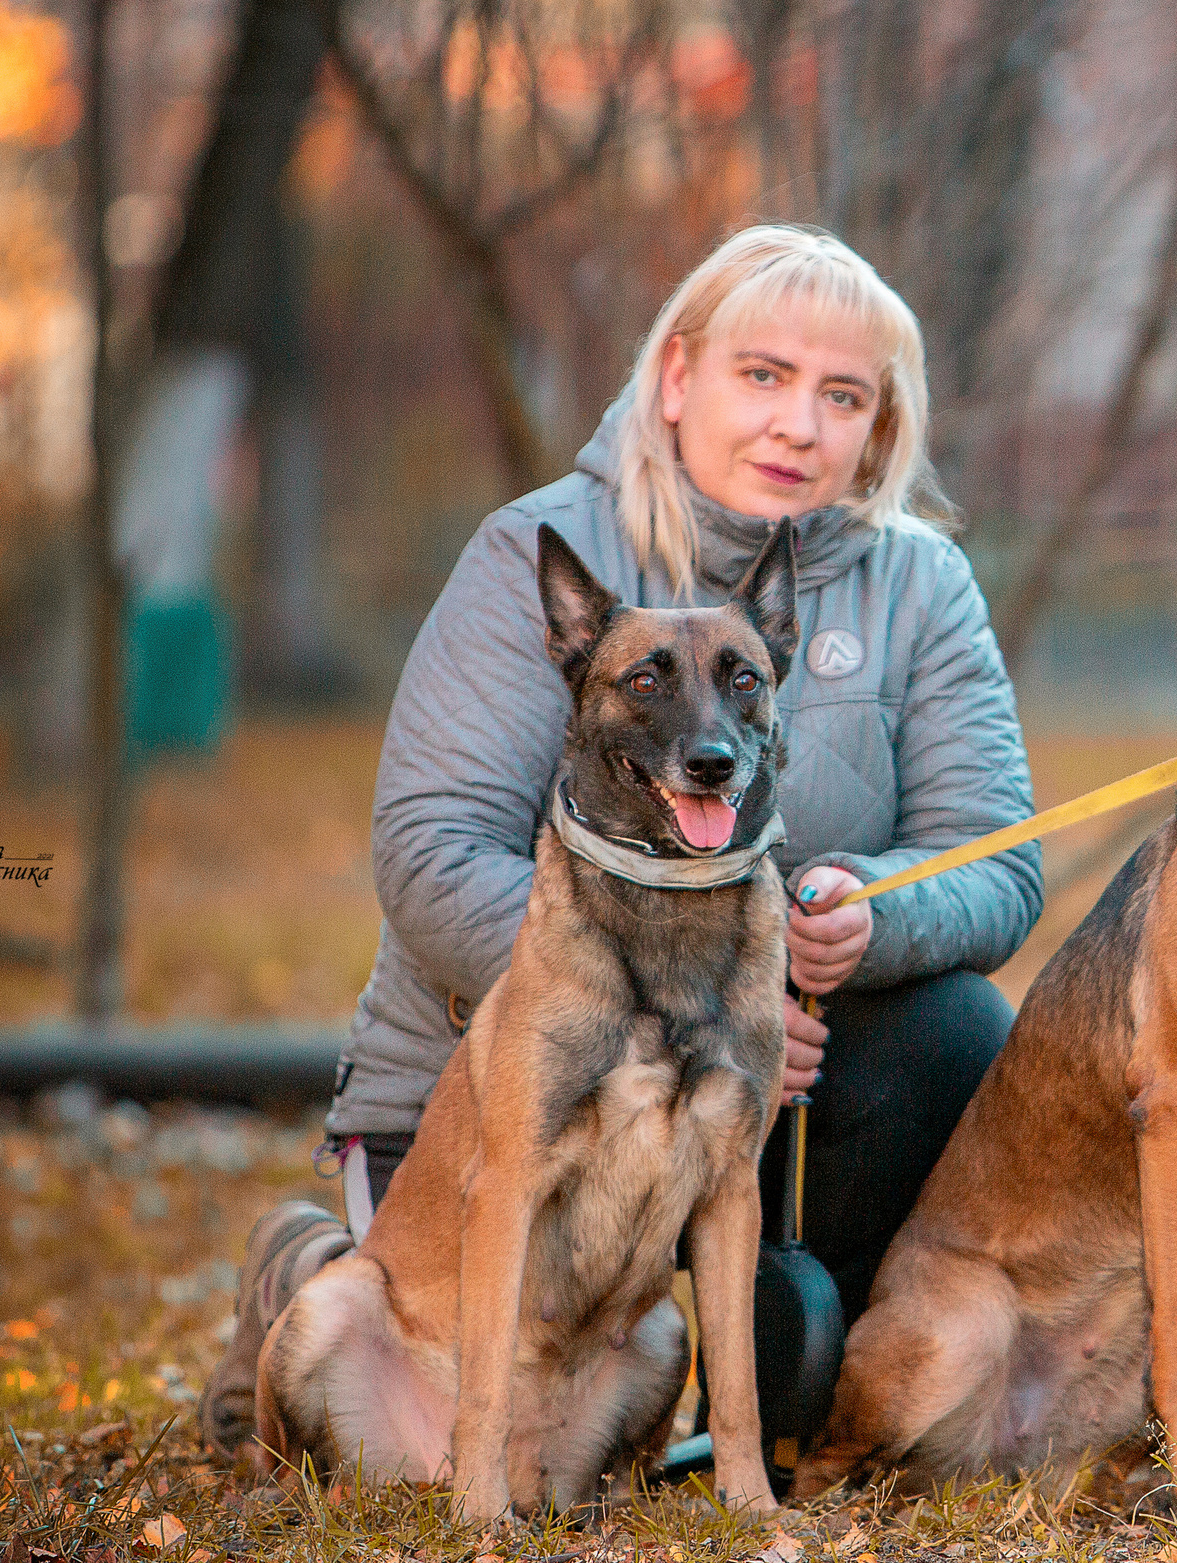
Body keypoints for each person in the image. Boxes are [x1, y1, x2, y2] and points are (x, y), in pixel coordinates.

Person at [201, 224, 1041, 1458]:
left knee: (956, 1028)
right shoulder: (538, 552)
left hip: (759, 1074)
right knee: (423, 1408)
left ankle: (815, 1387)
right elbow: (432, 847)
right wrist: (682, 1013)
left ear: (879, 429)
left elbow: (997, 859)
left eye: (841, 395)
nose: (798, 423)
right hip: (506, 1079)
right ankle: (306, 1268)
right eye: (763, 375)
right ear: (677, 378)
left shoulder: (923, 587)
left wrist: (873, 910)